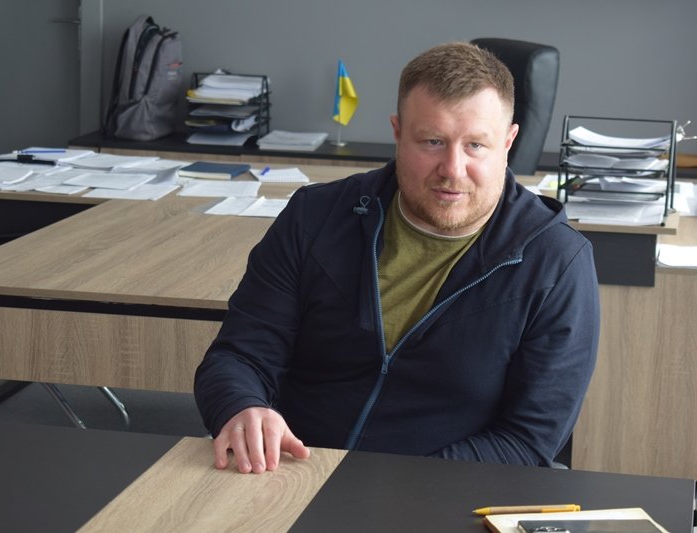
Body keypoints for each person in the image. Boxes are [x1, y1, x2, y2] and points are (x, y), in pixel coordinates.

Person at [194, 41, 599, 474]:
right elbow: (238, 356)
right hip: (289, 471)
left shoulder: (557, 263)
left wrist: (395, 487)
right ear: (398, 132)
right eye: (433, 141)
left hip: (442, 491)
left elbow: (527, 439)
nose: (452, 168)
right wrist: (242, 407)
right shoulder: (314, 216)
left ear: (508, 142)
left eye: (476, 145)